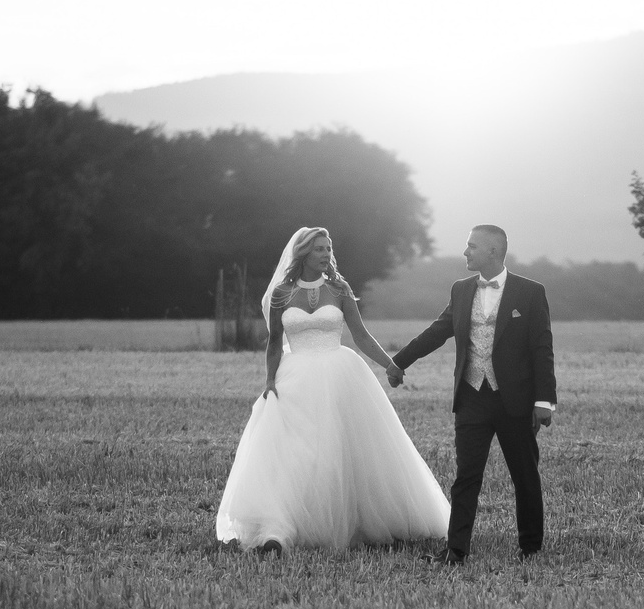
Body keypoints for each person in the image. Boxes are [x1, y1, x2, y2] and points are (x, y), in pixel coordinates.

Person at [214, 227, 451, 555]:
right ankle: (276, 531)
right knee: (294, 455)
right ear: (303, 255)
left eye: (328, 248)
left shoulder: (339, 288)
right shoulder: (283, 293)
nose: (326, 254)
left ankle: (355, 520)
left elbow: (362, 335)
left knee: (340, 451)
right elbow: (272, 344)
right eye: (319, 249)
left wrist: (390, 365)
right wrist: (269, 381)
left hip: (340, 374)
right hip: (294, 377)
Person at [388, 225, 556, 564]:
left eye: (471, 246)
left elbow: (542, 348)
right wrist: (398, 361)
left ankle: (531, 547)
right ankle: (456, 548)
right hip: (472, 397)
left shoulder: (530, 292)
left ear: (493, 251)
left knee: (524, 474)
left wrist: (543, 400)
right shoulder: (461, 290)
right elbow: (437, 331)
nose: (465, 252)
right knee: (466, 476)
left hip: (515, 401)